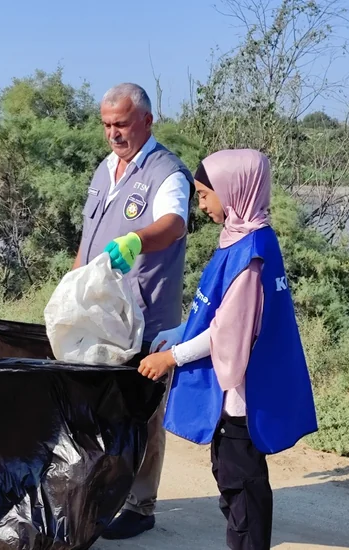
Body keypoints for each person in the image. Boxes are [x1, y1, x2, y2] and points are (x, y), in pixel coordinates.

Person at [137, 149, 318, 550]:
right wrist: (177, 330)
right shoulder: (247, 237)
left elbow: (226, 333)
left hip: (240, 400)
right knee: (234, 484)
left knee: (241, 490)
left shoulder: (250, 255)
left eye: (204, 194)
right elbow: (215, 309)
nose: (201, 205)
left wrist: (171, 357)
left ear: (233, 190)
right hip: (235, 398)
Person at [74, 83, 194, 539]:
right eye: (106, 125)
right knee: (101, 409)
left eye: (121, 124)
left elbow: (173, 224)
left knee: (143, 415)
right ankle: (105, 493)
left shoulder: (167, 173)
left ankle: (141, 504)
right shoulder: (106, 168)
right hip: (99, 316)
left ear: (146, 121)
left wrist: (136, 239)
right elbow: (87, 237)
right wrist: (73, 283)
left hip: (145, 317)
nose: (113, 134)